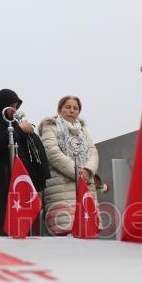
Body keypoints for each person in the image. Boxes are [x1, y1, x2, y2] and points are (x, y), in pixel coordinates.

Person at [0, 89, 50, 236]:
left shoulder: (15, 124)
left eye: (16, 107)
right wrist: (19, 131)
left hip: (14, 183)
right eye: (11, 106)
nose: (14, 110)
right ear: (1, 105)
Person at [38, 95, 99, 235]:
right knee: (66, 232)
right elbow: (52, 152)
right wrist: (78, 172)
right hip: (62, 186)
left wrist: (88, 170)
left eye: (75, 108)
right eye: (68, 107)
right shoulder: (50, 127)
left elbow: (93, 152)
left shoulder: (83, 131)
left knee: (87, 230)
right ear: (59, 110)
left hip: (85, 184)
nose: (72, 110)